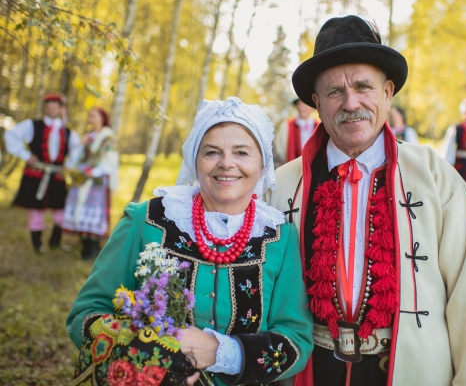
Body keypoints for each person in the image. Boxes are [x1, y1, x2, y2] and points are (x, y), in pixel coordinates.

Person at [267, 15, 466, 386]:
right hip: (309, 371)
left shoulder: (437, 180)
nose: (351, 103)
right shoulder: (279, 187)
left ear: (388, 93)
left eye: (363, 86)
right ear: (316, 103)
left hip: (410, 371)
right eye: (334, 92)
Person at [67, 97, 313, 385]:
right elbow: (87, 313)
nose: (227, 163)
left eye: (241, 152)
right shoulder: (144, 220)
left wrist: (221, 352)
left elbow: (296, 339)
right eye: (212, 152)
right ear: (194, 160)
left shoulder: (279, 237)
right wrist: (154, 355)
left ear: (262, 165)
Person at [4, 94, 80, 253]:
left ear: (60, 109)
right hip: (36, 173)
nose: (52, 109)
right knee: (35, 210)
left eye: (55, 107)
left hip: (57, 175)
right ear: (45, 108)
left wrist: (68, 164)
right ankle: (37, 245)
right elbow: (10, 135)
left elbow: (78, 149)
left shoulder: (67, 130)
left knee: (60, 210)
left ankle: (55, 241)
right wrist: (26, 155)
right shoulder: (33, 125)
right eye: (49, 106)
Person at [62, 108, 119, 260]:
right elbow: (79, 157)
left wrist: (95, 172)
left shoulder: (107, 137)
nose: (90, 119)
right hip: (83, 178)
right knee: (80, 209)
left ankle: (93, 246)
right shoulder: (89, 135)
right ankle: (84, 243)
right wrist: (81, 144)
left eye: (94, 116)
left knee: (94, 212)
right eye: (89, 116)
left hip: (97, 180)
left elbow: (110, 160)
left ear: (102, 118)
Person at [273, 98, 318, 167]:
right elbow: (279, 150)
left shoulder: (318, 125)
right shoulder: (287, 125)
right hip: (292, 166)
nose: (302, 108)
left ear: (312, 107)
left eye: (305, 105)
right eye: (300, 105)